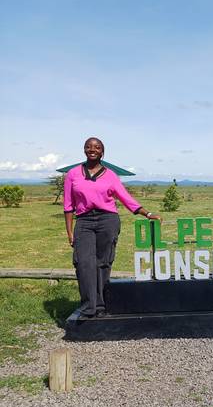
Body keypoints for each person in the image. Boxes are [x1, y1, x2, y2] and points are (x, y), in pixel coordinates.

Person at [63, 137, 161, 319]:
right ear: (84, 150)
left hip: (107, 220)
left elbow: (125, 198)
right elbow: (68, 206)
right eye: (88, 146)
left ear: (102, 152)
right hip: (84, 221)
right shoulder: (73, 174)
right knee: (84, 263)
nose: (92, 149)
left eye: (97, 147)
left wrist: (147, 213)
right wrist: (69, 232)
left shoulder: (110, 175)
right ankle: (88, 305)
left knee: (103, 262)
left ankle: (100, 305)